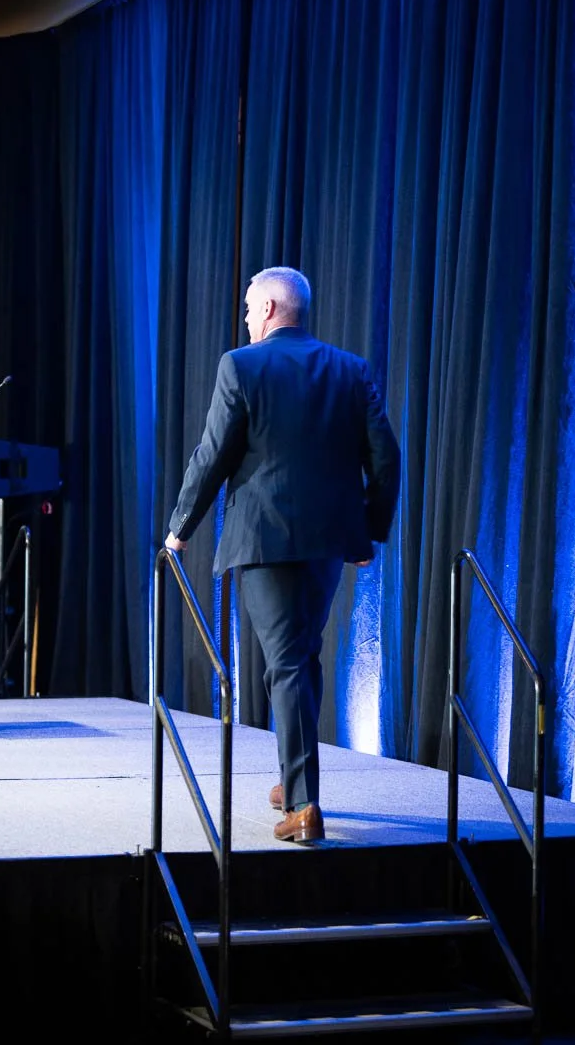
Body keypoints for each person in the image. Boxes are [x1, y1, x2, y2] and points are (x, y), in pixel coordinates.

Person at [165, 266, 400, 844]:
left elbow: (212, 454)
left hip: (266, 540)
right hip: (328, 541)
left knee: (288, 662)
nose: (246, 317)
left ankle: (303, 805)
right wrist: (368, 531)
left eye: (250, 307)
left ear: (270, 309)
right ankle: (294, 778)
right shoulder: (350, 369)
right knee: (299, 658)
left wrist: (180, 528)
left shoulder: (241, 366)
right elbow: (386, 456)